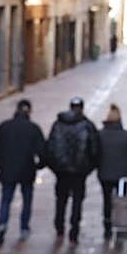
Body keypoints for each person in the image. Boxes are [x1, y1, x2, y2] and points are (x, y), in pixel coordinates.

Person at [0, 98, 46, 247]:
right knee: (27, 200)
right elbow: (43, 152)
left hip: (8, 170)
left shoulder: (4, 127)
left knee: (6, 199)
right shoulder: (34, 129)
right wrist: (38, 166)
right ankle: (24, 228)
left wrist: (1, 165)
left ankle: (2, 224)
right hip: (27, 170)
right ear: (30, 112)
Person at [45, 96, 101, 244]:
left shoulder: (57, 124)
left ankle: (59, 227)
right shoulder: (88, 125)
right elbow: (95, 150)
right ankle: (74, 231)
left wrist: (55, 167)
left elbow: (50, 148)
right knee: (77, 201)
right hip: (79, 172)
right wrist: (89, 168)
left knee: (61, 199)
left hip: (61, 171)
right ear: (82, 108)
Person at [98, 104, 127, 240]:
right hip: (122, 175)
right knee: (121, 199)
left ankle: (107, 224)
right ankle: (119, 223)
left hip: (104, 173)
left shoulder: (100, 135)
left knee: (106, 199)